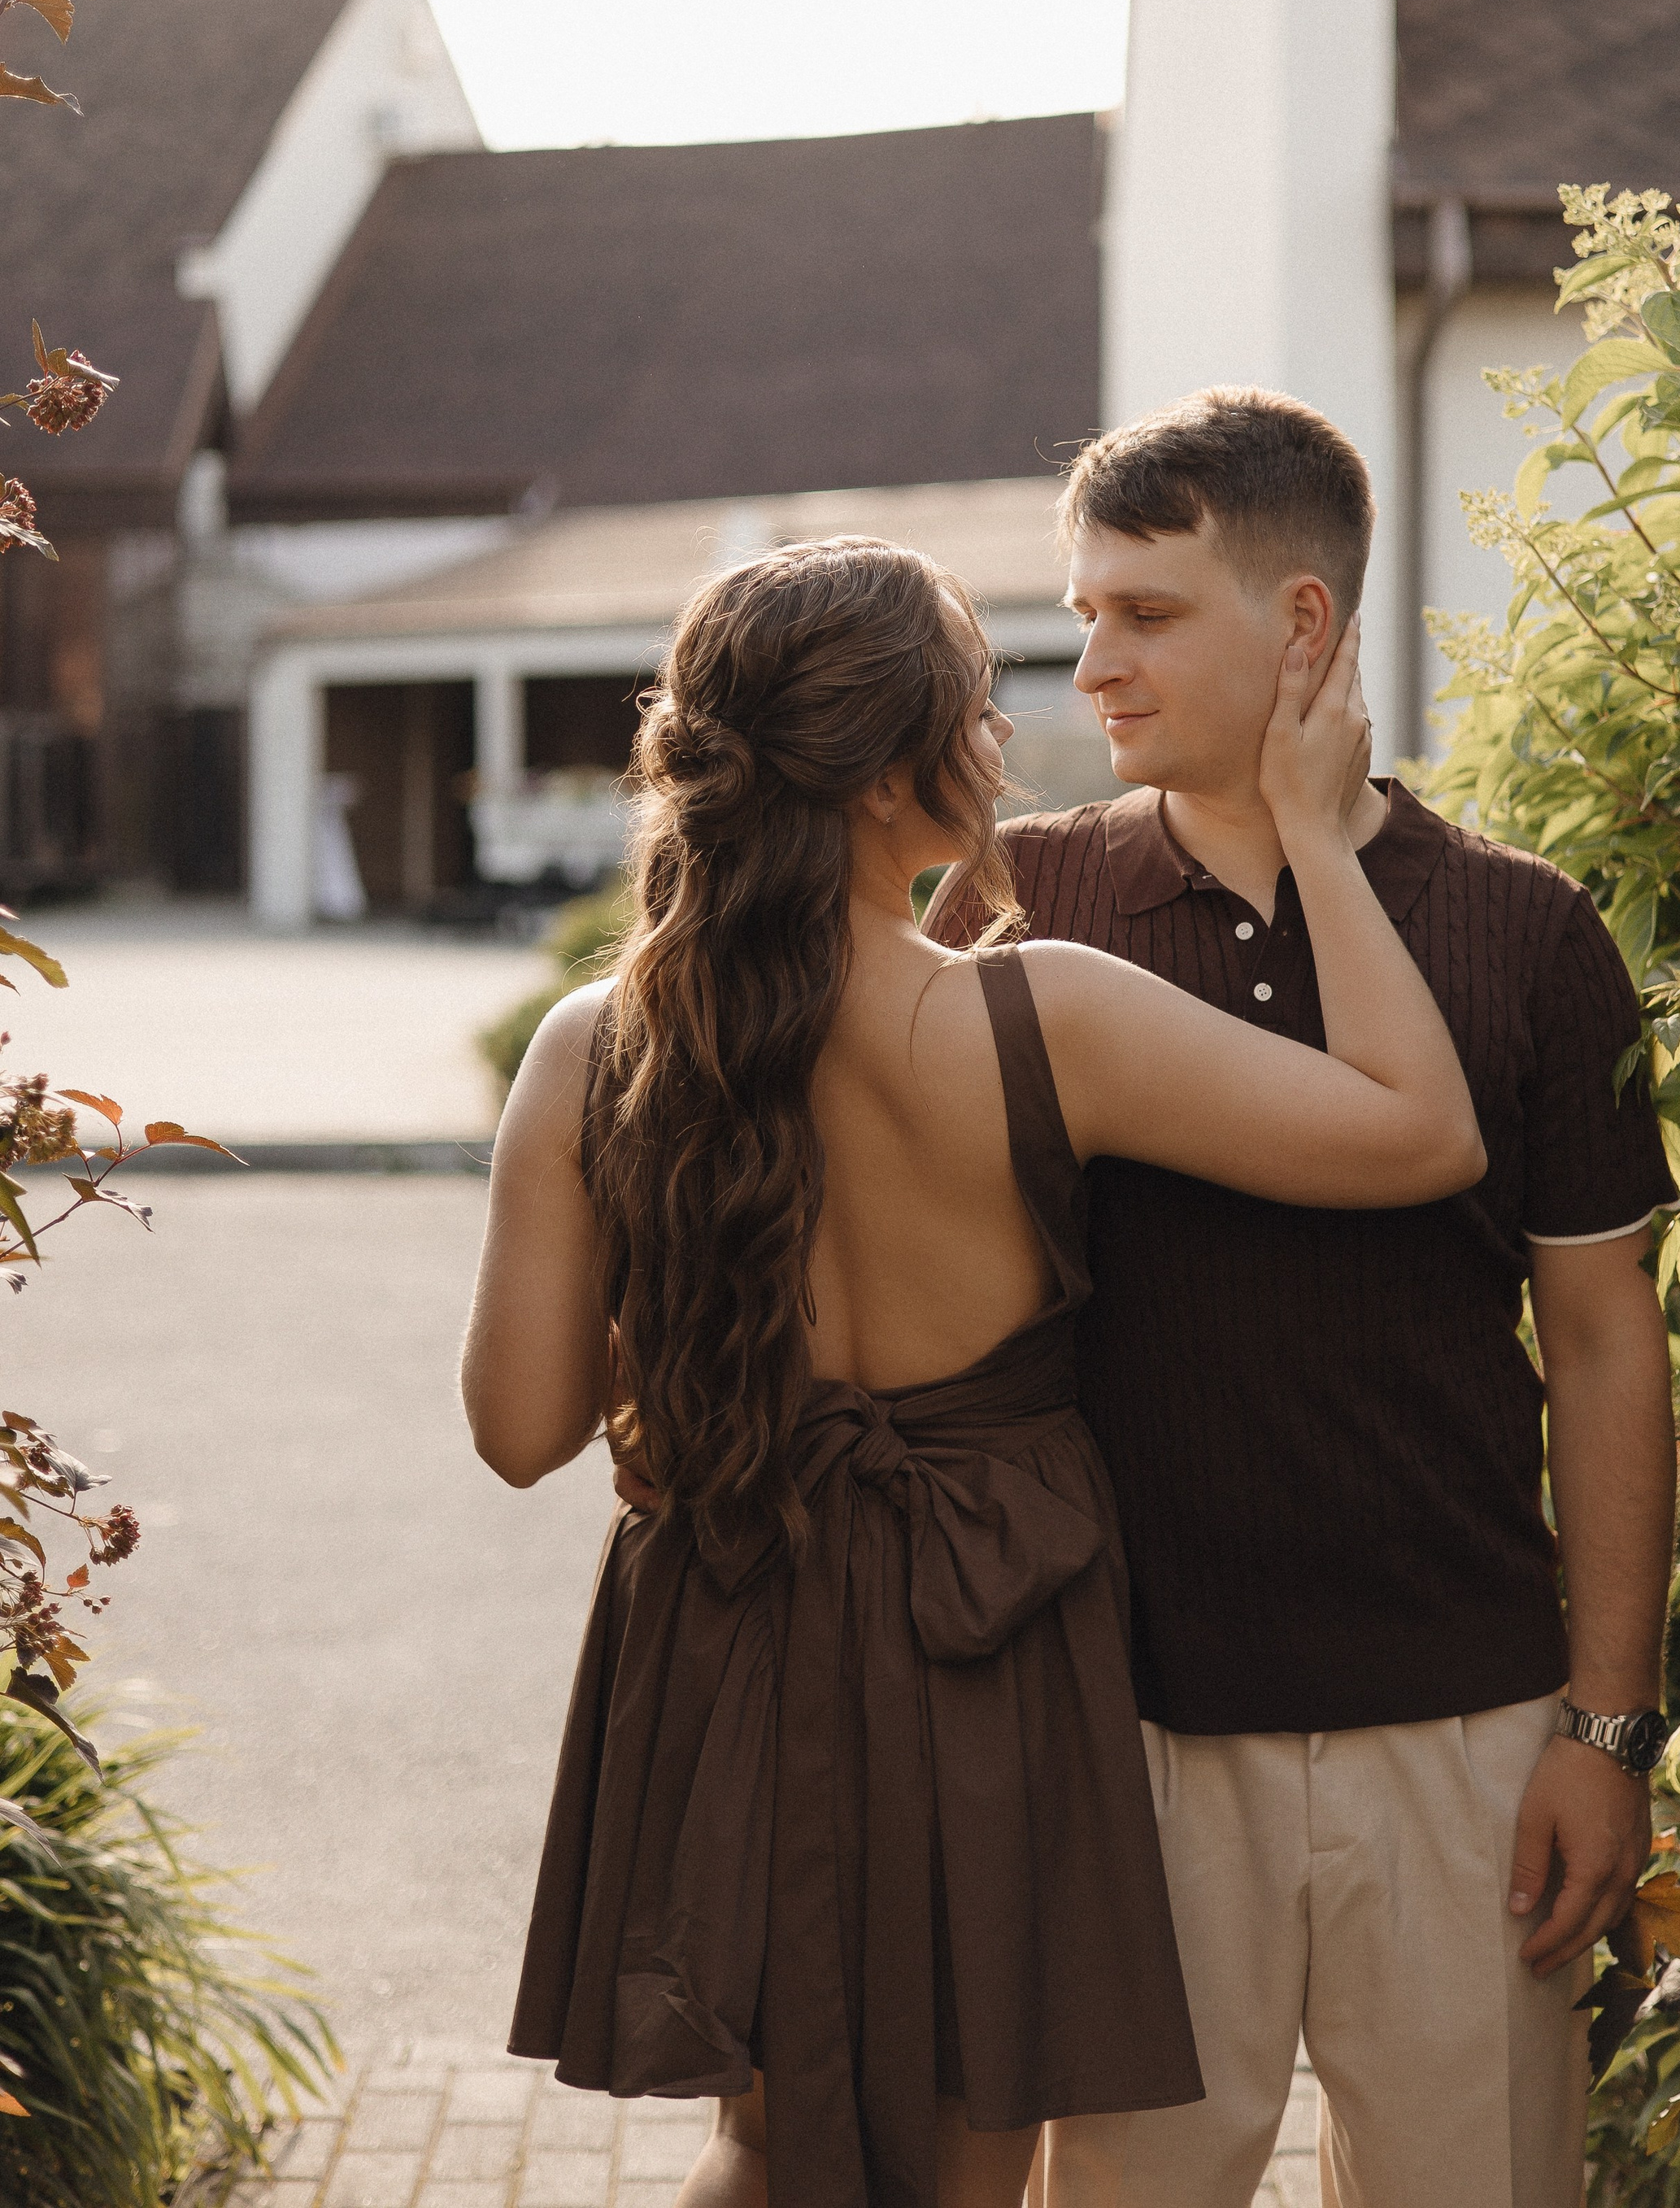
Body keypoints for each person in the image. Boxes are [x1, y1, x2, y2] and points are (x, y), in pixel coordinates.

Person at [459, 534, 1487, 2208]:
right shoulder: (1042, 1017)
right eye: (977, 705)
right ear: (883, 780)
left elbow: (518, 1433)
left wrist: (669, 1335)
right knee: (968, 2155)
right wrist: (1314, 824)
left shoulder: (596, 1047)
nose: (1008, 739)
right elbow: (1420, 1129)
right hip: (988, 1632)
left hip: (735, 1618)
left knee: (765, 2137)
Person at [925, 389, 1680, 2208]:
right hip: (1132, 1741)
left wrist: (1600, 1727)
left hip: (1470, 1737)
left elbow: (1599, 1347)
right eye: (1081, 609)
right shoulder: (1018, 907)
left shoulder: (1523, 930)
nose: (1088, 664)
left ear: (1304, 628)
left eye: (1147, 613)